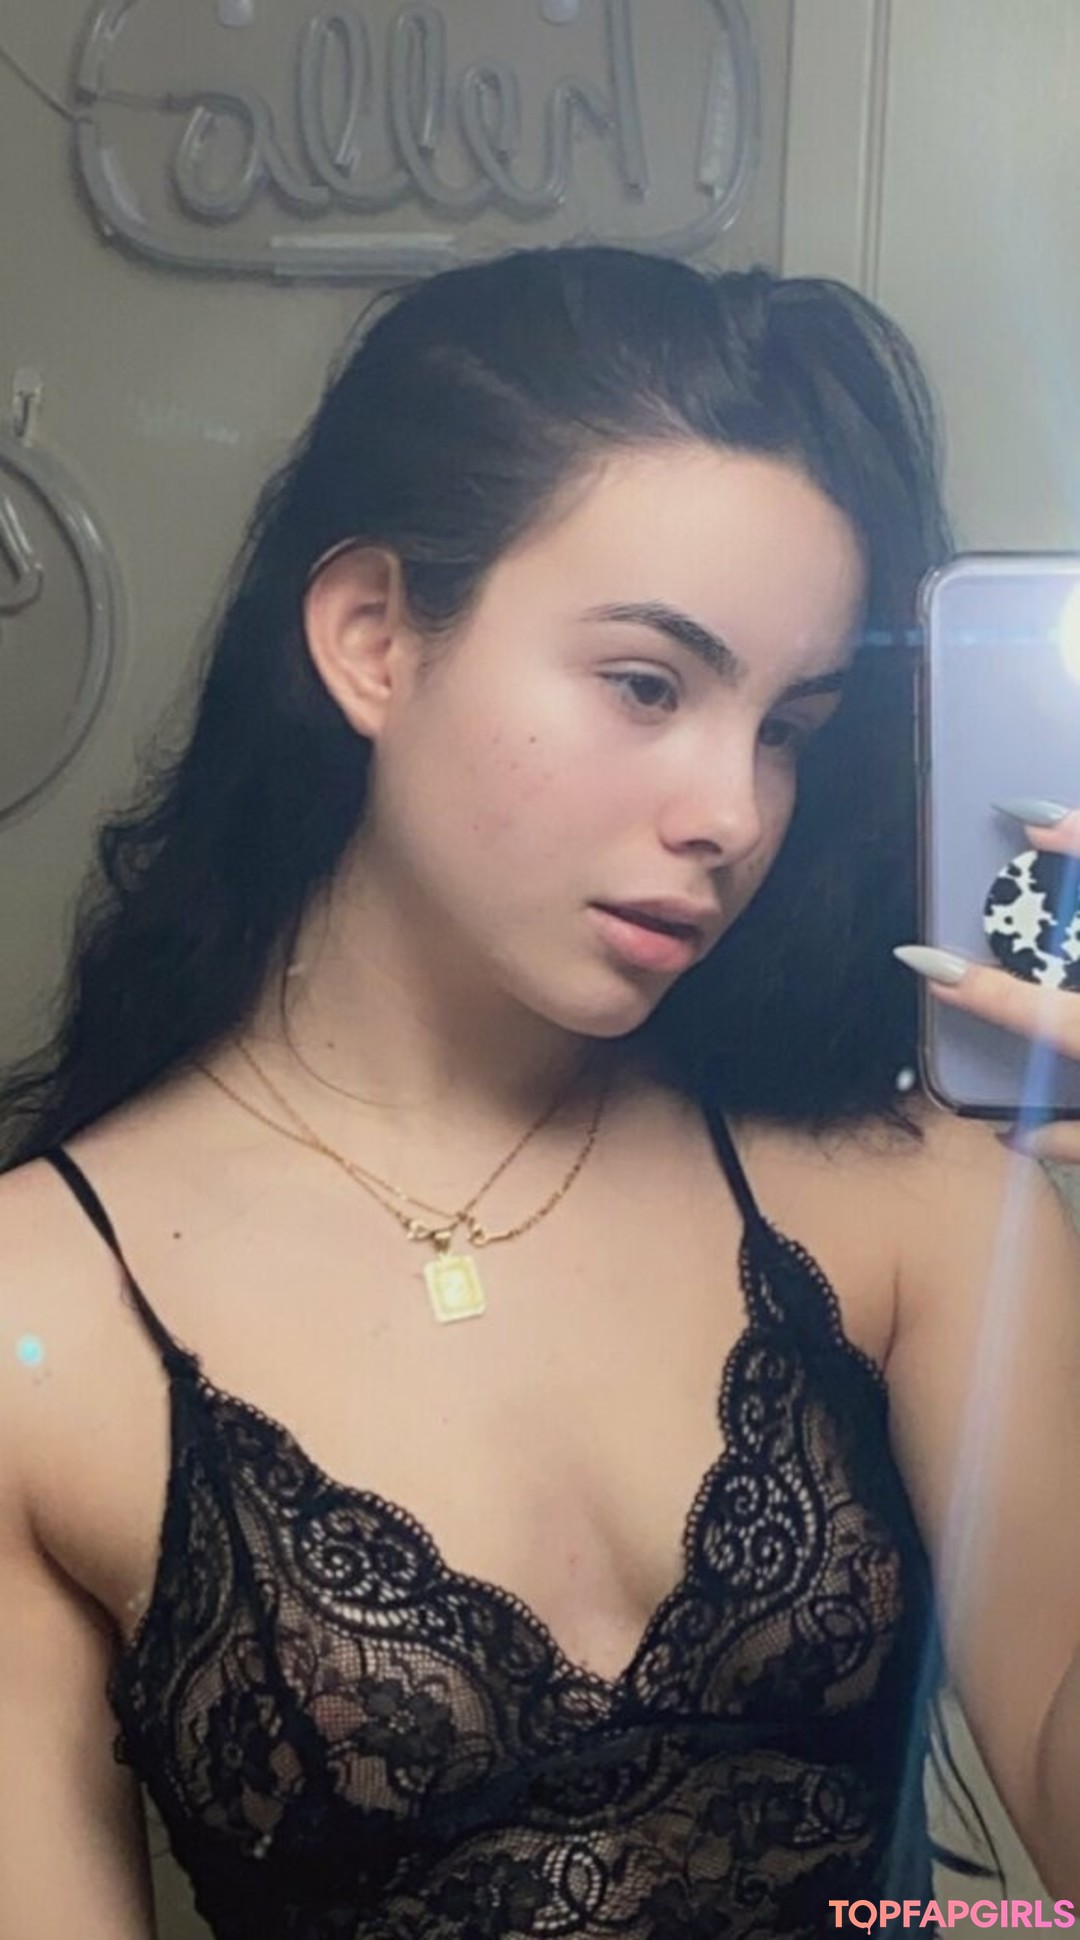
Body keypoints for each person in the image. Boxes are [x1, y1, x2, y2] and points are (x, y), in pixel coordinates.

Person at [0, 245, 1077, 1940]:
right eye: (649, 685)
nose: (734, 810)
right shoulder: (44, 1317)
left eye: (789, 726)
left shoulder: (907, 1201)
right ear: (373, 638)